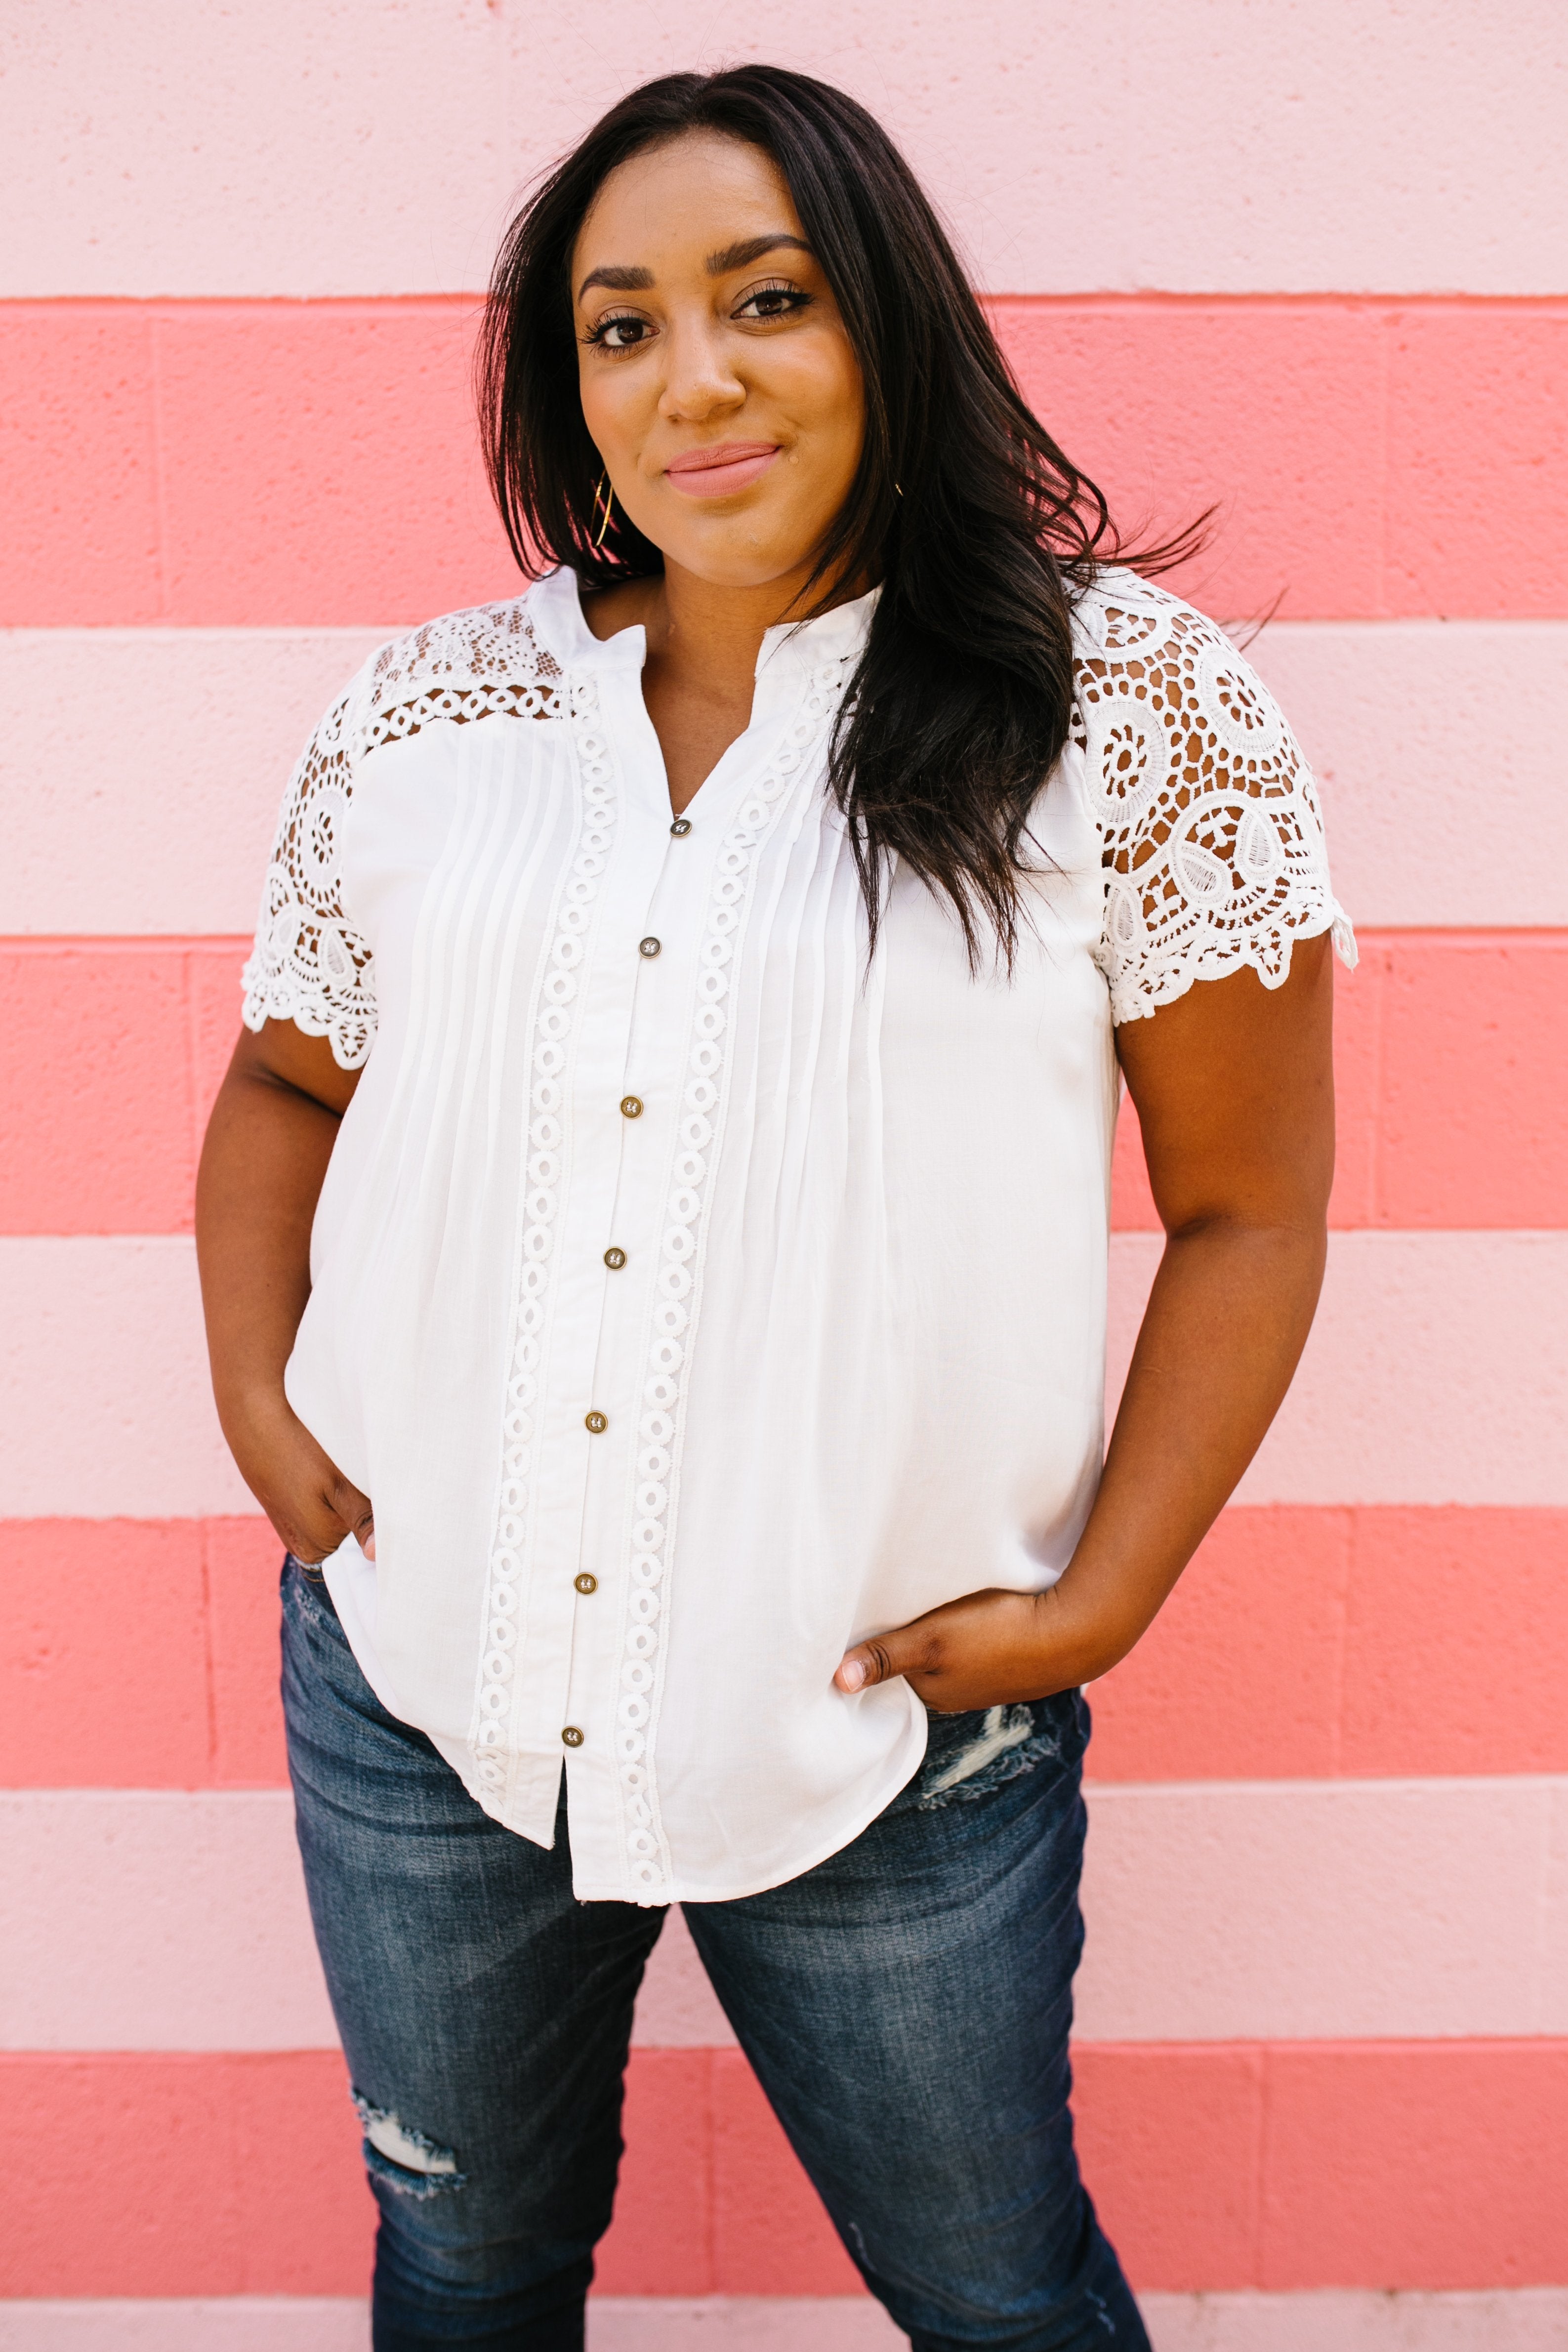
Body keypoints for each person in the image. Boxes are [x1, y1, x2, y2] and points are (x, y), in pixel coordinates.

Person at [197, 63, 1354, 2352]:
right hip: (422, 1690)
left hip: (896, 1718)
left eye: (766, 299)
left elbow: (1247, 1208)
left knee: (996, 2291)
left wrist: (1099, 1597)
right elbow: (276, 1082)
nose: (691, 376)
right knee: (464, 2259)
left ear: (883, 327)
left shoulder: (1119, 712)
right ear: (568, 391)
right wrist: (258, 1402)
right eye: (618, 327)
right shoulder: (427, 726)